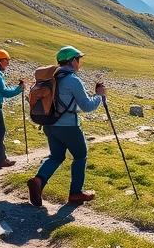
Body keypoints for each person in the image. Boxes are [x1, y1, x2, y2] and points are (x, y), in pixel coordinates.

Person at [27, 45, 105, 206]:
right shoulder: (73, 80)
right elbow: (87, 106)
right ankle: (76, 193)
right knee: (80, 156)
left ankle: (38, 180)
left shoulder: (51, 79)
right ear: (72, 61)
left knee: (56, 156)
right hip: (69, 127)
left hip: (49, 124)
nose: (80, 63)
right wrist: (100, 96)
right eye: (79, 59)